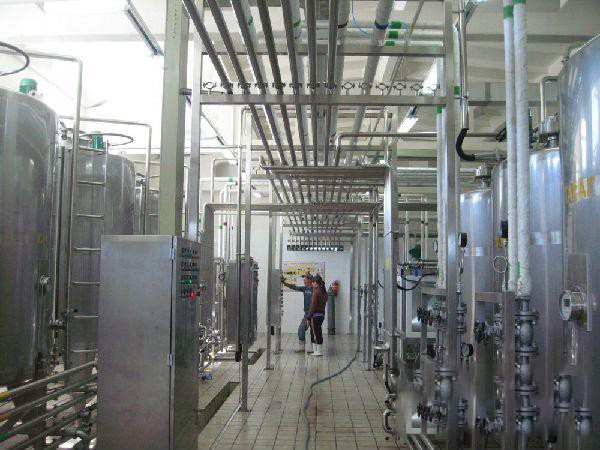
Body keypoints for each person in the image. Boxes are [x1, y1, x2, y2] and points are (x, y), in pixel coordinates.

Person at [281, 272, 314, 353]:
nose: (304, 281)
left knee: (314, 331)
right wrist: (284, 283)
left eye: (305, 280)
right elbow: (294, 287)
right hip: (307, 314)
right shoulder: (305, 289)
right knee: (301, 329)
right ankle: (302, 347)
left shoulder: (315, 289)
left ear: (310, 280)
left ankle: (314, 348)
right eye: (304, 280)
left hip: (314, 314)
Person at [308, 275, 328, 357]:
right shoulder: (324, 292)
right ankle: (317, 350)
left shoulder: (316, 292)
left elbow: (313, 306)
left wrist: (309, 316)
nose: (312, 284)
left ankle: (318, 351)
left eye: (313, 282)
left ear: (316, 283)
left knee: (315, 333)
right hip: (321, 315)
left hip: (315, 315)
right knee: (318, 332)